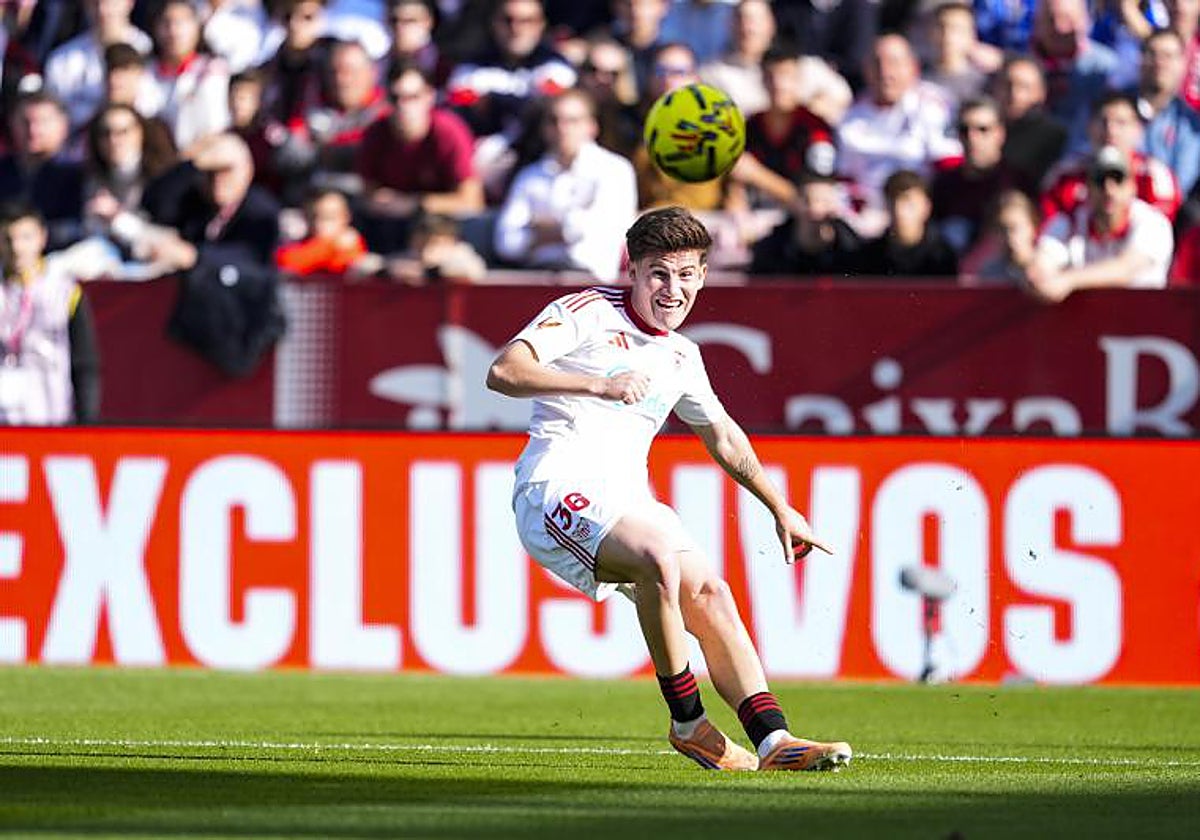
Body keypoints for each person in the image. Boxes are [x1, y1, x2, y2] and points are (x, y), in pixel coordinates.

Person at [486, 205, 852, 773]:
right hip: (553, 487)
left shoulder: (683, 356)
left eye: (686, 275)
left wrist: (780, 506)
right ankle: (689, 723)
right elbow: (504, 371)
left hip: (628, 498)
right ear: (630, 269)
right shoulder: (584, 311)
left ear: (703, 277)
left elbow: (723, 435)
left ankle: (775, 742)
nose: (673, 289)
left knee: (710, 593)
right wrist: (599, 385)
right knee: (658, 559)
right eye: (659, 272)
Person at [494, 88, 637, 279]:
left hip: (593, 284)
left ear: (592, 126)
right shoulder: (529, 176)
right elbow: (506, 243)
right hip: (535, 280)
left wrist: (540, 230)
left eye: (573, 121)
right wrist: (571, 227)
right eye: (554, 121)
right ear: (545, 128)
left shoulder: (615, 169)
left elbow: (607, 231)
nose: (562, 128)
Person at [837, 32, 962, 236]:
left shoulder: (933, 105)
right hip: (866, 219)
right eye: (877, 64)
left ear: (913, 67)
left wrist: (922, 209)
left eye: (894, 63)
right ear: (866, 70)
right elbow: (844, 180)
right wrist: (856, 217)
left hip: (923, 215)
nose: (885, 72)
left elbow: (950, 168)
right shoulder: (851, 116)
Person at [1027, 145, 1174, 301]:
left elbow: (1125, 269)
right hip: (1085, 323)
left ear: (1132, 187)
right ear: (1088, 187)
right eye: (1100, 180)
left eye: (1118, 180)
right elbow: (1044, 261)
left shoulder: (1153, 223)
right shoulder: (1070, 221)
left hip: (1143, 321)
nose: (1109, 191)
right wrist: (1038, 275)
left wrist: (1068, 280)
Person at [0, 203, 100, 426]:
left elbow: (85, 363)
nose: (17, 248)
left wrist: (87, 424)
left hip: (51, 417)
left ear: (41, 238)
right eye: (8, 239)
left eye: (26, 238)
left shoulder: (64, 292)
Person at [929, 95, 1031, 253]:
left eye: (983, 129)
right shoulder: (943, 185)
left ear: (1000, 133)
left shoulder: (1017, 183)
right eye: (964, 130)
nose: (972, 138)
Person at [749, 171, 862, 276]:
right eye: (807, 201)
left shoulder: (854, 250)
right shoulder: (770, 250)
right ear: (795, 204)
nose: (816, 210)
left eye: (825, 202)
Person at [856, 168, 958, 277]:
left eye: (908, 202)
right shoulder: (870, 257)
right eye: (892, 201)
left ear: (926, 206)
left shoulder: (944, 257)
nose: (899, 210)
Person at [1136, 27, 1200, 198]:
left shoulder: (1191, 123)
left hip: (1168, 212)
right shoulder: (1115, 111)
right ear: (1140, 59)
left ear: (1182, 64)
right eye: (1152, 54)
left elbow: (1182, 184)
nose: (1159, 62)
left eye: (1168, 56)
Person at [993, 55, 1068, 186]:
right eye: (1007, 85)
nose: (1014, 94)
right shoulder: (981, 129)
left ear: (1041, 93)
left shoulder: (1053, 136)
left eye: (1024, 87)